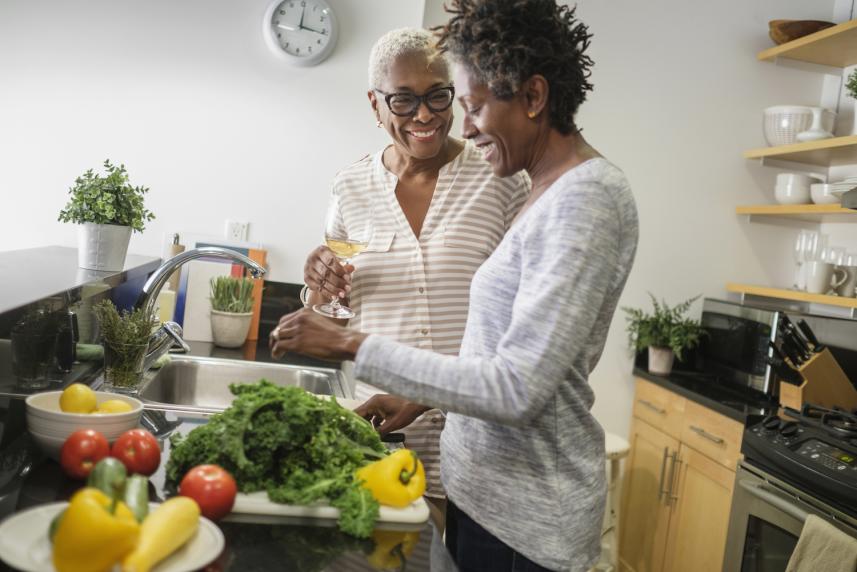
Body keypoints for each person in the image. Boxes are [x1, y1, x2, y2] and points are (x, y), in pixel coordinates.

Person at [272, 1, 639, 570]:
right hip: (485, 496)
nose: (461, 126)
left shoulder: (584, 199)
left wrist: (351, 344)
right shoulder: (547, 189)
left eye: (469, 105)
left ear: (534, 97)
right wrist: (418, 397)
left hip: (527, 517)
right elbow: (501, 346)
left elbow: (517, 389)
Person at [300, 27, 530, 517]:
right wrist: (320, 287)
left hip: (476, 447)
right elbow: (335, 317)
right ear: (375, 104)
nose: (424, 115)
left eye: (437, 96)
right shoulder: (350, 187)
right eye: (402, 101)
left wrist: (429, 393)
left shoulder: (501, 178)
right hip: (379, 441)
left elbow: (520, 319)